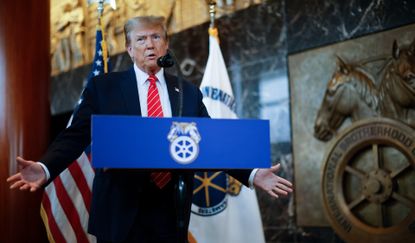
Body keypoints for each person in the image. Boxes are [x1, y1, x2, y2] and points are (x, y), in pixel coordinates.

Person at [7, 16, 293, 243]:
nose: (149, 44)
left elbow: (211, 142)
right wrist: (45, 168)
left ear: (166, 46)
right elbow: (75, 135)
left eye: (156, 37)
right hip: (120, 211)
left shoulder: (187, 93)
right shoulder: (104, 88)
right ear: (130, 49)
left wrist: (253, 173)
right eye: (141, 39)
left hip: (170, 211)